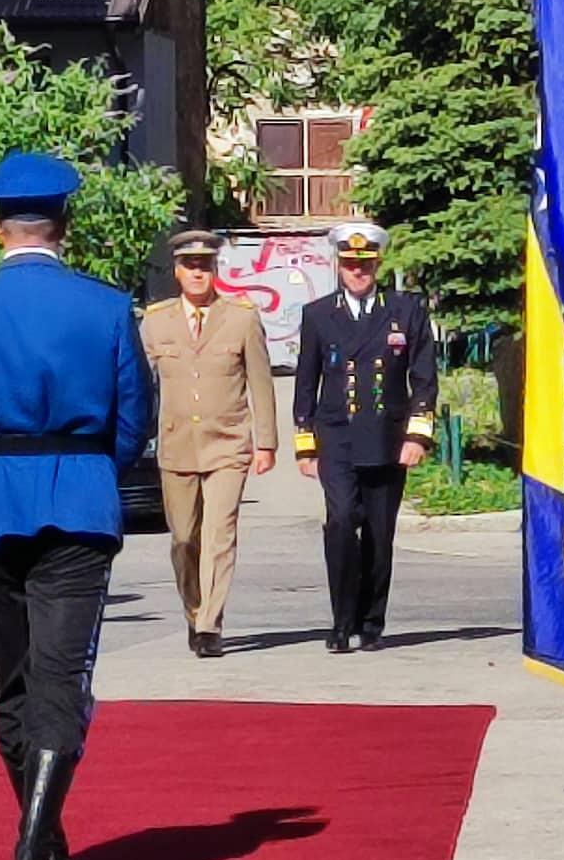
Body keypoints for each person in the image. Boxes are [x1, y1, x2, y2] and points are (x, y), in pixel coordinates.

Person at [0, 149, 152, 860]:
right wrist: (86, 472)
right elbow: (131, 425)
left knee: (14, 682)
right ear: (66, 223)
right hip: (80, 504)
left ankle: (37, 838)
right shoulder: (109, 307)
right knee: (61, 679)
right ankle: (36, 842)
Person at [293, 223, 437, 654]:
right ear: (339, 266)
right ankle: (341, 622)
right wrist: (305, 443)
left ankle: (371, 621)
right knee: (340, 523)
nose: (358, 271)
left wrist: (418, 437)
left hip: (387, 438)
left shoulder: (405, 311)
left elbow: (424, 379)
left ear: (377, 264)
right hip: (337, 437)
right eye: (351, 264)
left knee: (378, 533)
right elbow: (306, 381)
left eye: (366, 264)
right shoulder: (319, 314)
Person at [140, 229, 277, 658]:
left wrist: (266, 442)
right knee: (184, 538)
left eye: (205, 266)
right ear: (178, 272)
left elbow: (260, 381)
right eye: (190, 266)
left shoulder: (240, 318)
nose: (198, 273)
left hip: (228, 444)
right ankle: (193, 608)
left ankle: (209, 625)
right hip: (177, 445)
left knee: (220, 534)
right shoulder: (156, 321)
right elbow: (139, 386)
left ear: (215, 270)